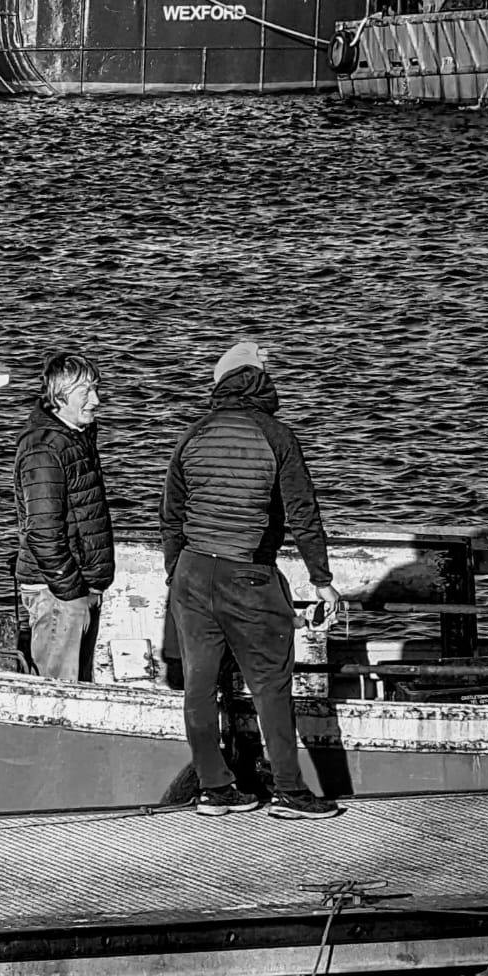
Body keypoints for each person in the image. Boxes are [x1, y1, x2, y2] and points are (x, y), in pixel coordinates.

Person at [161, 339, 345, 818]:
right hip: (249, 574)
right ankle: (289, 791)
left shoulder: (192, 435)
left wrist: (176, 574)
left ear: (220, 384)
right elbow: (303, 513)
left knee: (200, 687)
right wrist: (321, 579)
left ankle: (214, 789)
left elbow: (171, 516)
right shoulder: (277, 436)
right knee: (271, 684)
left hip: (192, 572)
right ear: (263, 383)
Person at [11, 351, 115, 682]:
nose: (96, 400)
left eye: (96, 389)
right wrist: (73, 593)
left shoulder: (75, 438)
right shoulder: (45, 448)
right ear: (59, 394)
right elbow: (43, 532)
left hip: (73, 590)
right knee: (58, 694)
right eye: (86, 391)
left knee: (73, 687)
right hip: (58, 594)